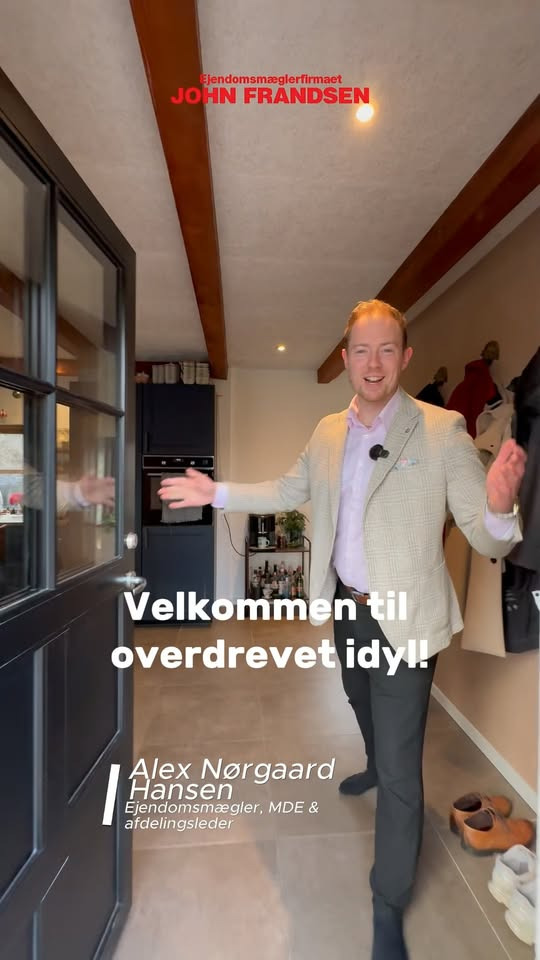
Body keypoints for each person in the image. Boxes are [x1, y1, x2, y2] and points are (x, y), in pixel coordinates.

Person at [157, 300, 525, 960]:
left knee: (403, 772)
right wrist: (217, 494)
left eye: (386, 349)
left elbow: (484, 533)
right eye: (361, 350)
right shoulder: (329, 431)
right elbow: (286, 488)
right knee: (357, 698)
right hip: (348, 607)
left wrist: (498, 505)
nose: (373, 363)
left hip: (406, 619)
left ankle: (388, 900)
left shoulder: (441, 429)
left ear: (405, 358)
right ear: (347, 358)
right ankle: (373, 763)